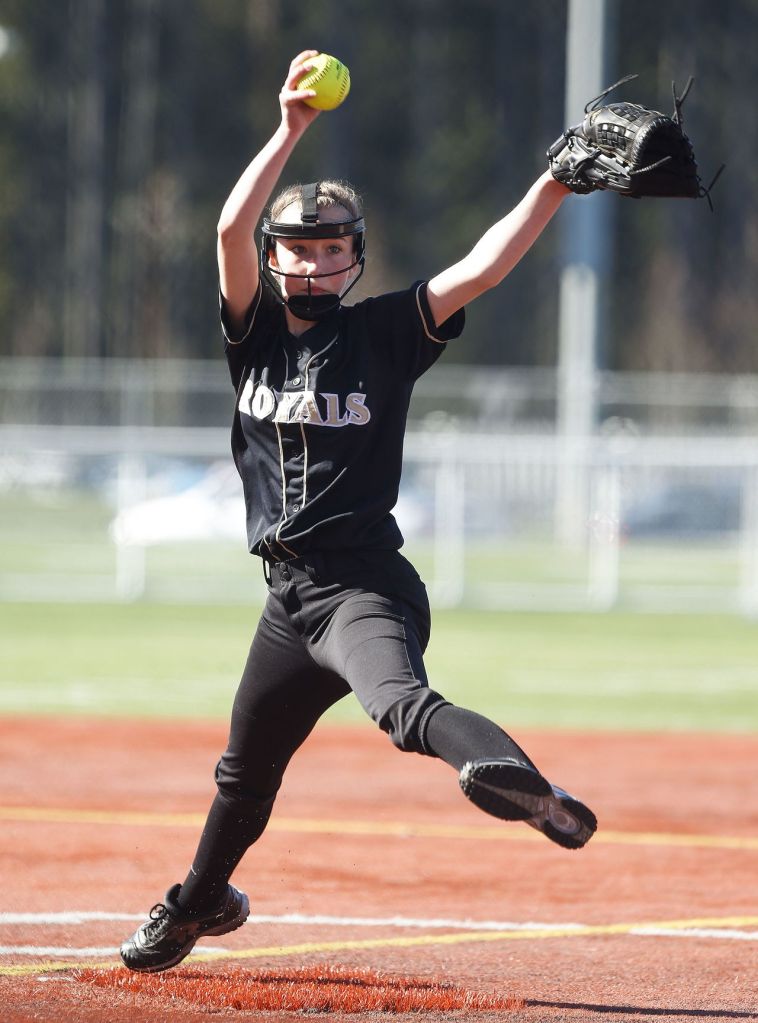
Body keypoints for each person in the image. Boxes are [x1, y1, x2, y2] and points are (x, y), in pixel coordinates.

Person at [120, 50, 597, 974]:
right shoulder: (251, 333)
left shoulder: (386, 332)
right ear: (274, 257)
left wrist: (553, 183)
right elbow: (226, 226)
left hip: (363, 590)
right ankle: (194, 904)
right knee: (242, 776)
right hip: (286, 604)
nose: (315, 258)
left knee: (402, 707)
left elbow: (483, 268)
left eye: (333, 246)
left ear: (355, 256)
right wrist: (292, 128)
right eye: (298, 245)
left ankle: (530, 789)